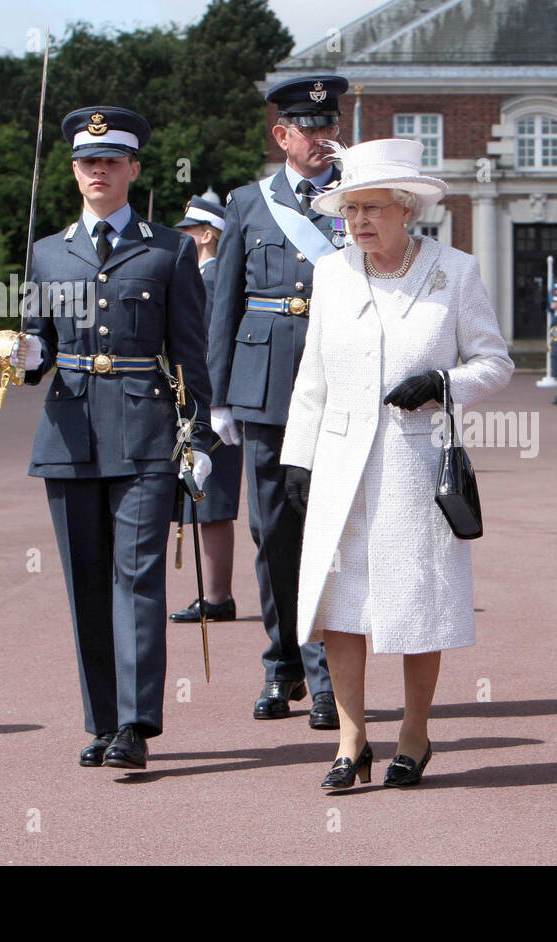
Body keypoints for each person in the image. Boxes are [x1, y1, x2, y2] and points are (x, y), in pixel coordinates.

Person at [278, 138, 514, 789]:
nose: (357, 223)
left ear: (406, 208)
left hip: (415, 467)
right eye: (349, 210)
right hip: (339, 463)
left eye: (371, 209)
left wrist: (442, 382)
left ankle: (415, 730)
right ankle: (352, 738)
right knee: (341, 603)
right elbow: (312, 377)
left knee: (417, 601)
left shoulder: (454, 272)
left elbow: (495, 362)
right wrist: (298, 457)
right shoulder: (332, 274)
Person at [4, 106, 212, 770]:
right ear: (73, 172)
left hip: (147, 432)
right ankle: (100, 720)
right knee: (85, 581)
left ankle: (135, 722)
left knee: (137, 577)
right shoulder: (45, 252)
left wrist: (199, 436)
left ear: (133, 170)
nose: (100, 170)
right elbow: (34, 360)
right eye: (89, 161)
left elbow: (191, 354)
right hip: (69, 435)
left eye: (112, 160)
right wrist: (18, 352)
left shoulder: (169, 248)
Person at [207, 75, 350, 729]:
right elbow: (224, 304)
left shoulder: (358, 198)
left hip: (335, 382)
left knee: (326, 530)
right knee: (271, 534)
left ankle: (323, 678)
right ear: (282, 135)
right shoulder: (246, 202)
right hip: (263, 385)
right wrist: (217, 396)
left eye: (330, 125)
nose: (323, 138)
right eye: (310, 128)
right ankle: (280, 665)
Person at [170, 193, 243, 623]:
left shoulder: (210, 280)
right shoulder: (200, 277)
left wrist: (210, 402)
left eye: (187, 232)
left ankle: (217, 597)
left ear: (207, 234)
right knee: (201, 497)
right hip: (196, 399)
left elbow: (212, 347)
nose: (181, 238)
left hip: (208, 402)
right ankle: (214, 594)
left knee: (209, 497)